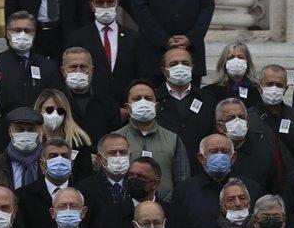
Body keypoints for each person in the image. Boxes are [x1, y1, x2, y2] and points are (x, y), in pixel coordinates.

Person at [129, 0, 215, 82]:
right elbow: (139, 7)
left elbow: (207, 5)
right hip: (153, 52)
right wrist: (164, 39)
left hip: (190, 52)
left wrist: (191, 37)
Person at [65, 0, 146, 106]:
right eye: (100, 3)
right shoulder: (78, 38)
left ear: (117, 3)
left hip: (126, 105)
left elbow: (141, 74)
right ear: (92, 6)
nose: (105, 6)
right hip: (91, 105)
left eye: (110, 2)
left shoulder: (133, 38)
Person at [117, 79, 189, 195]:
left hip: (165, 205)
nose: (143, 102)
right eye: (137, 99)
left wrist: (165, 202)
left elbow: (183, 181)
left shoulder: (173, 139)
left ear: (156, 106)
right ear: (128, 107)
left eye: (148, 98)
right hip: (125, 204)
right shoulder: (115, 139)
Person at [154, 47, 218, 175]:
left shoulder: (208, 100)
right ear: (164, 71)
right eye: (174, 64)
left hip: (200, 171)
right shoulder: (154, 99)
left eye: (185, 63)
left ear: (192, 67)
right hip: (164, 171)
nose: (180, 67)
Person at [59, 46, 122, 159]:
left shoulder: (108, 104)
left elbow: (114, 139)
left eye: (83, 67)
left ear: (91, 71)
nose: (78, 71)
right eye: (73, 67)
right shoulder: (54, 103)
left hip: (100, 163)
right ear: (63, 71)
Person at [0, 11, 64, 111]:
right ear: (8, 33)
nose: (22, 34)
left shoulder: (48, 66)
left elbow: (57, 98)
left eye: (27, 31)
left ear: (34, 34)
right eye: (17, 30)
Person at [217, 98, 282, 194]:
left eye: (241, 117)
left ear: (247, 122)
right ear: (219, 126)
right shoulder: (212, 151)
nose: (237, 122)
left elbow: (274, 186)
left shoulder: (265, 150)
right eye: (231, 118)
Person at [253, 63, 294, 165]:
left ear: (285, 89)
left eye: (279, 85)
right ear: (259, 87)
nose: (274, 89)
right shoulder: (249, 117)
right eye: (269, 84)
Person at [36, 87, 95, 177]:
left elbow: (85, 175)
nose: (55, 114)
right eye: (49, 110)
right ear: (39, 111)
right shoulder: (32, 139)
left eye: (60, 111)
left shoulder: (78, 140)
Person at [0, 107, 44, 190]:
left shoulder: (49, 163)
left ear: (39, 132)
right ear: (10, 132)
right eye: (20, 129)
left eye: (31, 129)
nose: (25, 134)